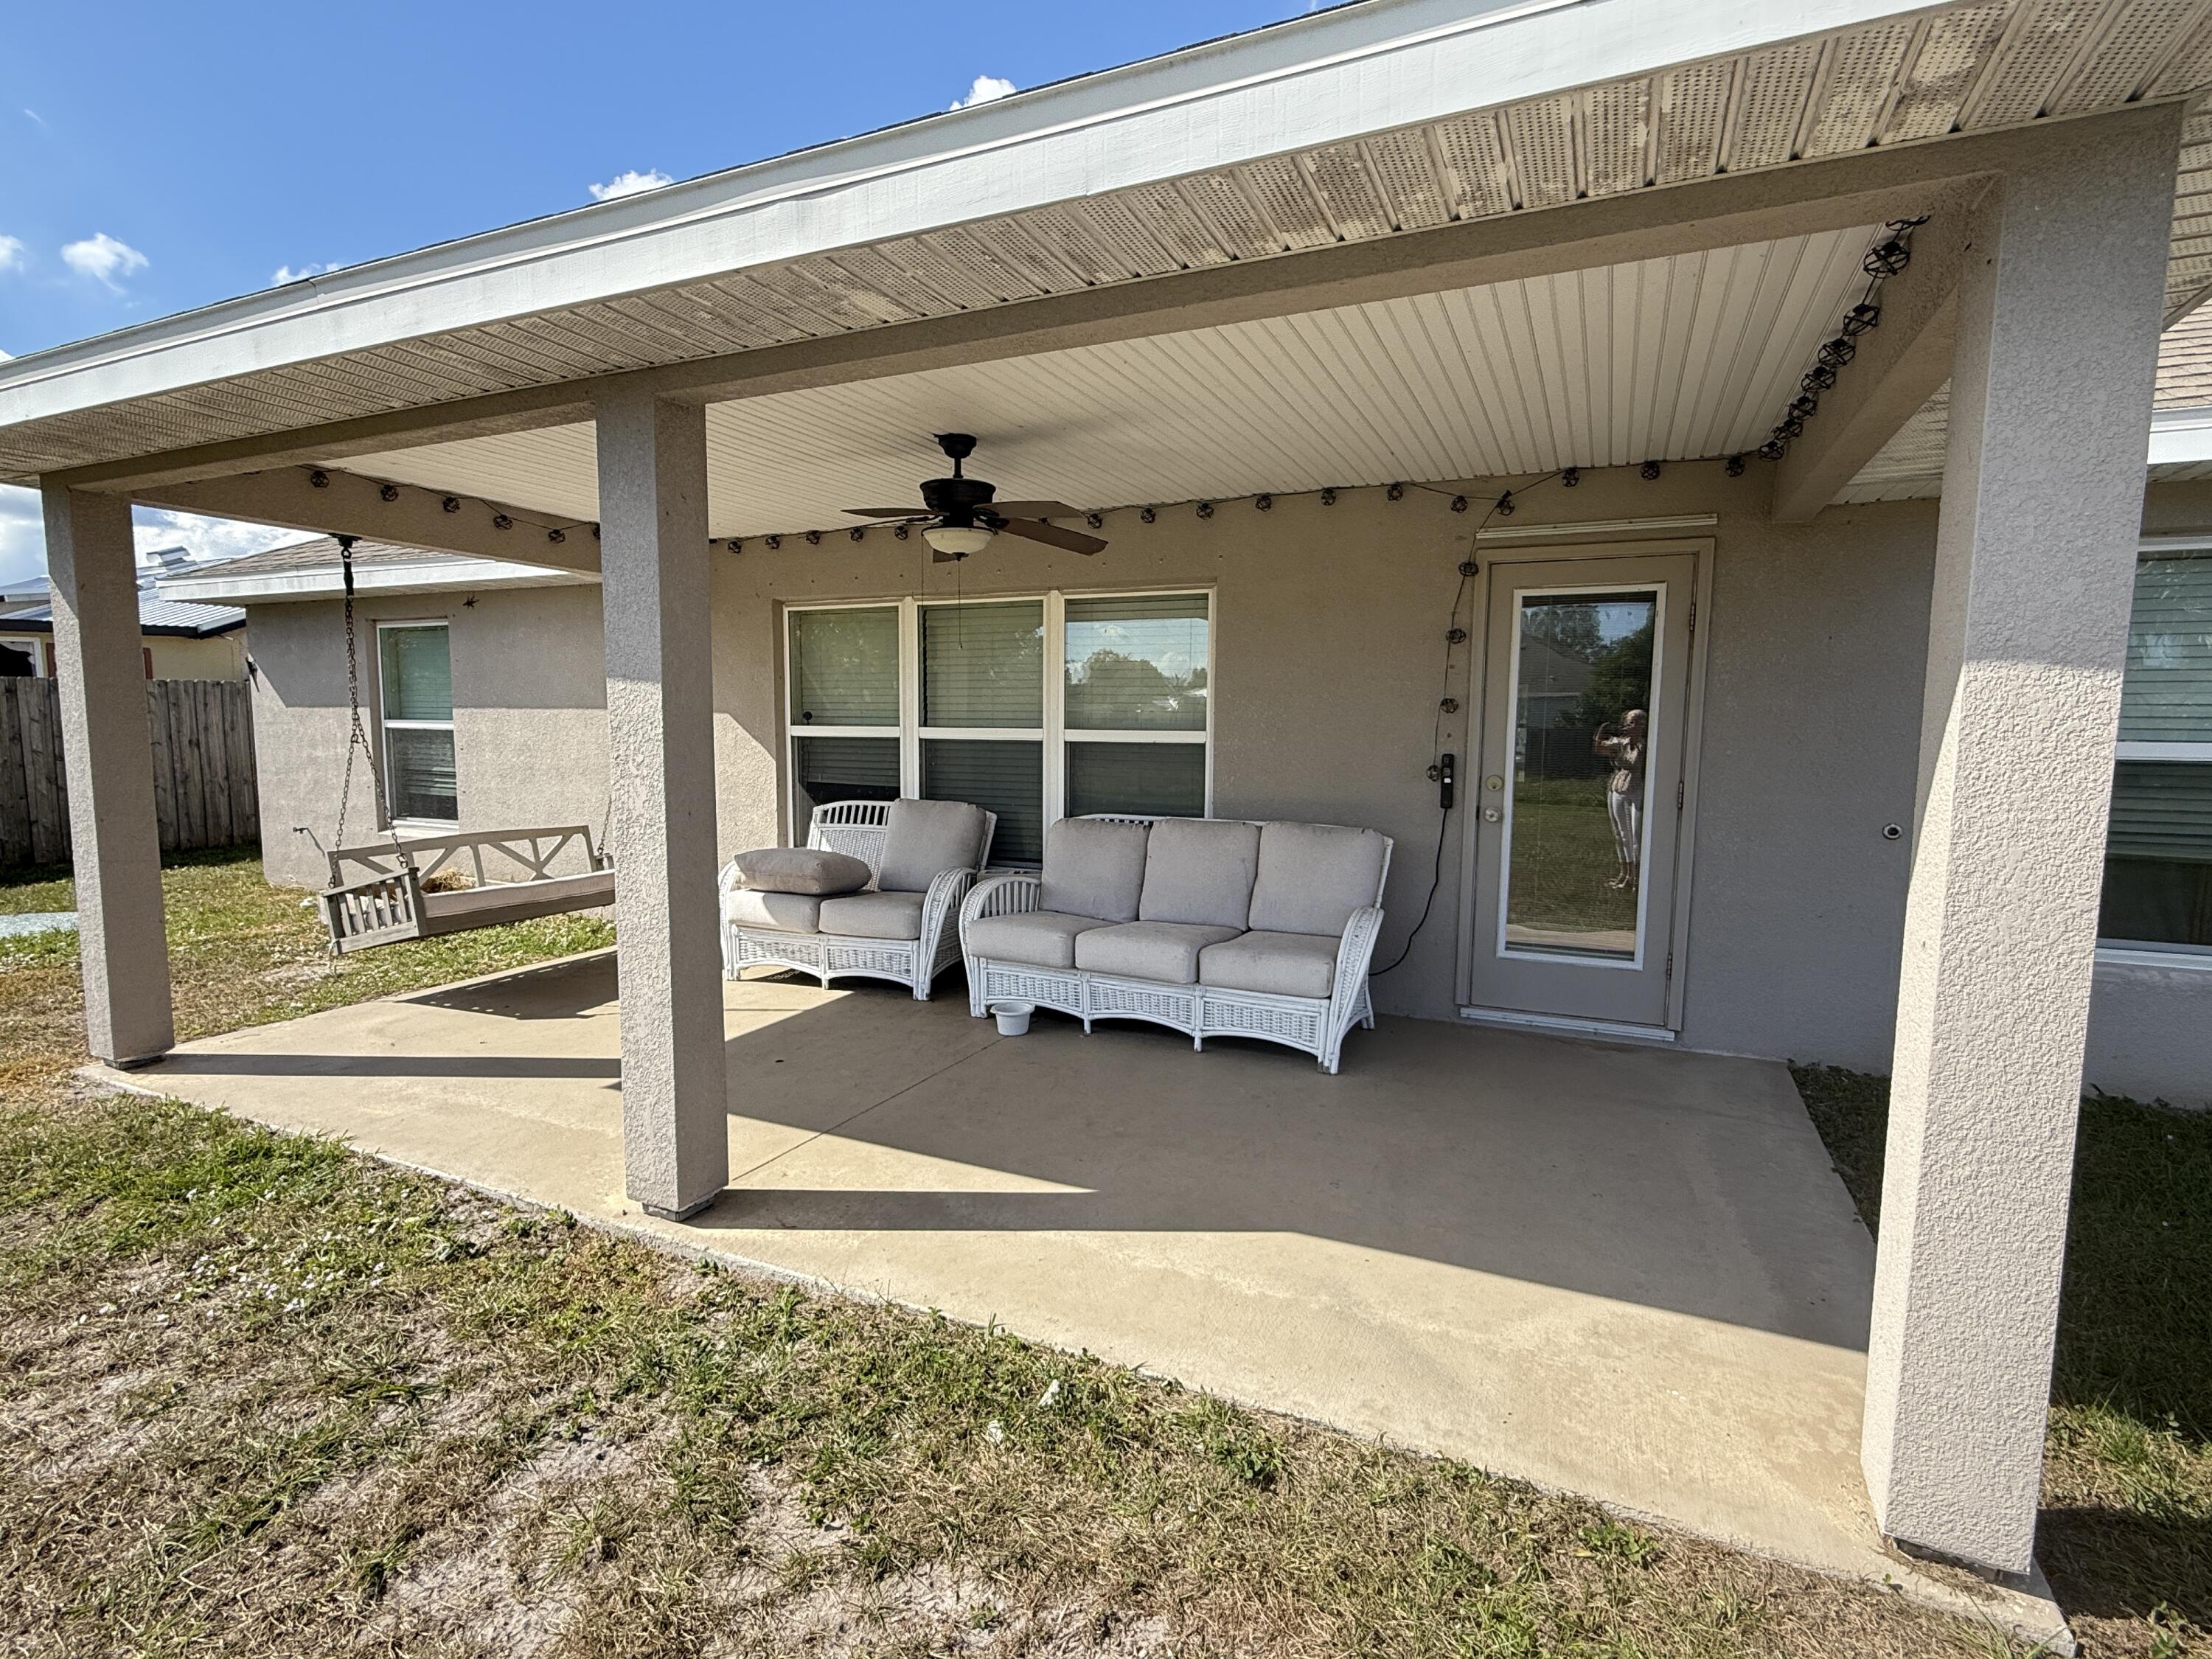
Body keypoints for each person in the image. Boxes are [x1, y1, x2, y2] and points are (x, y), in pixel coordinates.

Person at [1593, 709, 1647, 891]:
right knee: (1621, 833)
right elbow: (1599, 748)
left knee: (1635, 834)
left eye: (1639, 723)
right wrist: (1602, 731)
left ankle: (1637, 876)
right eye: (1631, 722)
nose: (1635, 726)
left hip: (1638, 789)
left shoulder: (1645, 746)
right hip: (1619, 786)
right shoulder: (1620, 743)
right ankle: (1625, 873)